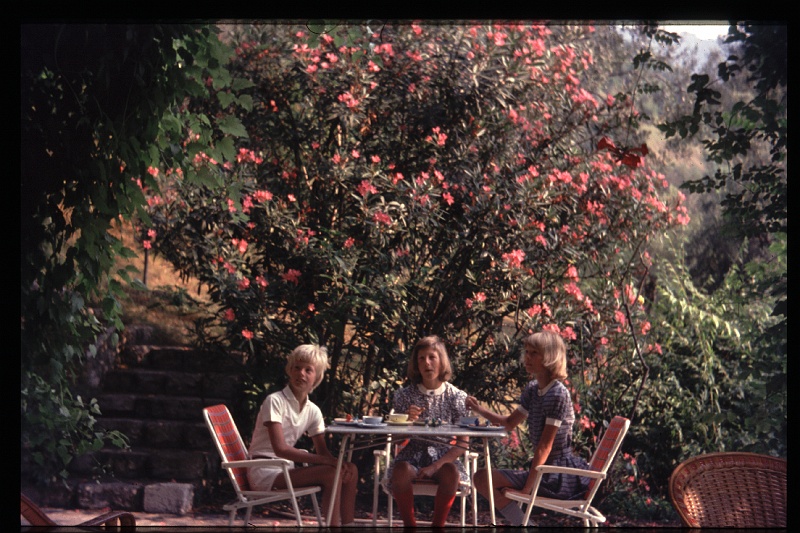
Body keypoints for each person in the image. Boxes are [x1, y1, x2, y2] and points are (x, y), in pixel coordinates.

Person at [465, 331, 590, 526]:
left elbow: (544, 447)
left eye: (534, 353)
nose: (527, 358)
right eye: (526, 352)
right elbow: (508, 423)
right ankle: (525, 524)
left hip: (557, 475)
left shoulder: (558, 394)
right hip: (542, 470)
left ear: (549, 358)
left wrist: (526, 491)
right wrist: (478, 408)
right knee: (481, 478)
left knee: (483, 479)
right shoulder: (533, 389)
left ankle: (524, 525)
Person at [247, 344, 358, 527]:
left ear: (317, 377)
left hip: (286, 470)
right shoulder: (274, 401)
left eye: (308, 370)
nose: (301, 374)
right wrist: (330, 463)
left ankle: (349, 526)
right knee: (331, 473)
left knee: (350, 470)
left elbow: (323, 453)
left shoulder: (312, 410)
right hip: (264, 471)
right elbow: (280, 449)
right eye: (297, 368)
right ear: (289, 370)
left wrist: (339, 463)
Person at [386, 335, 470, 527]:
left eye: (432, 357)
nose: (427, 363)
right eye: (421, 358)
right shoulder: (405, 395)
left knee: (451, 472)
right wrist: (407, 422)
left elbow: (464, 443)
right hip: (413, 454)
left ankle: (437, 526)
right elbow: (397, 440)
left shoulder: (456, 397)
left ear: (442, 361)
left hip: (444, 456)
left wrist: (435, 466)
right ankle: (410, 526)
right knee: (400, 471)